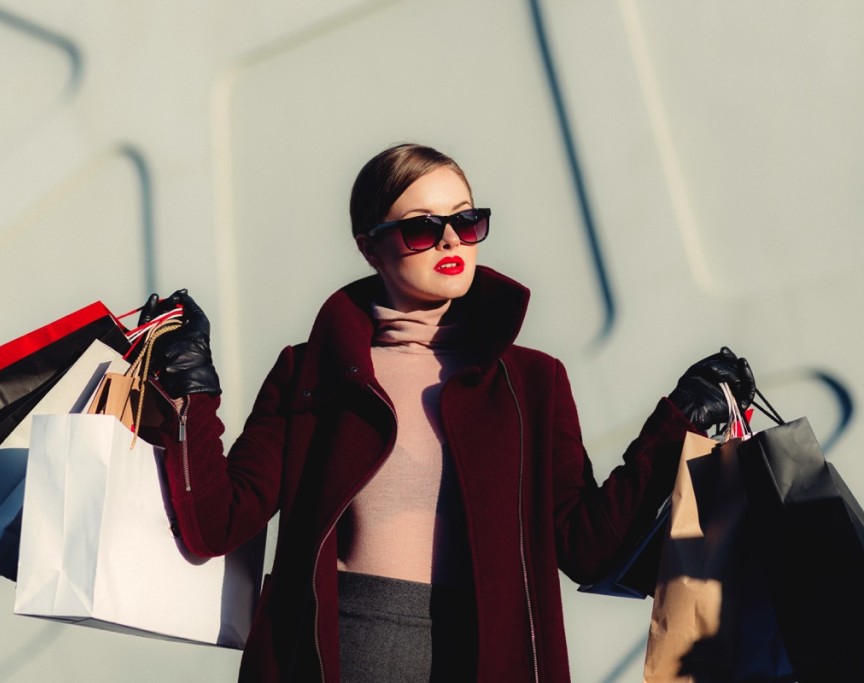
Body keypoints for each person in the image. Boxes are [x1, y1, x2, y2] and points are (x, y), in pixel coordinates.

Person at [137, 143, 756, 682]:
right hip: (338, 657)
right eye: (421, 228)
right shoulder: (312, 371)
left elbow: (586, 547)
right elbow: (216, 522)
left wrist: (677, 421)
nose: (453, 241)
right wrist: (193, 388)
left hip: (489, 659)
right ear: (369, 247)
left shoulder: (532, 381)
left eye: (467, 220)